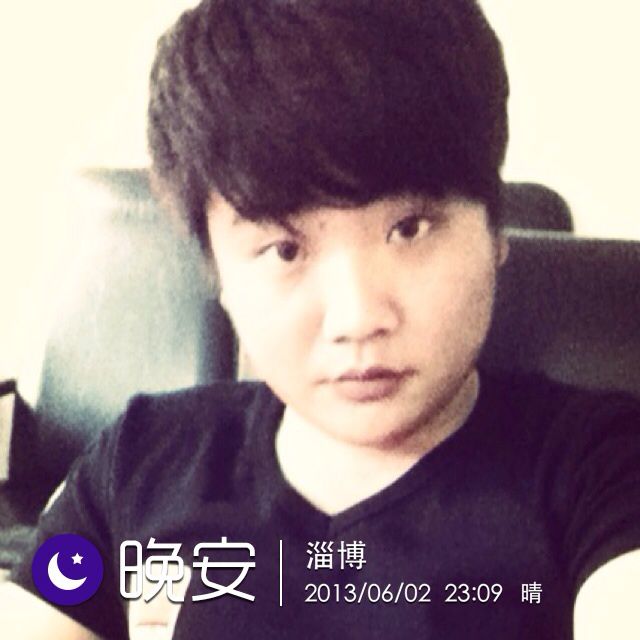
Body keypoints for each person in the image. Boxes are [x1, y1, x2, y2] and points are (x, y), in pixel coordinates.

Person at [3, 0, 640, 638]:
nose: (358, 318)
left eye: (409, 228)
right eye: (285, 250)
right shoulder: (137, 464)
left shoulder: (603, 468)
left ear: (495, 230)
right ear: (218, 274)